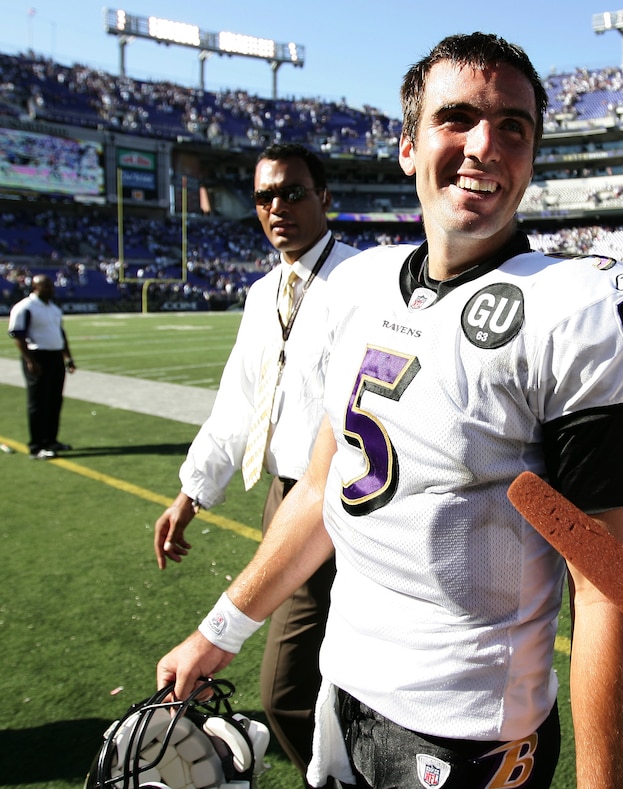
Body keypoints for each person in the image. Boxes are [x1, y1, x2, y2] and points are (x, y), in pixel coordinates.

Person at [155, 32, 623, 789]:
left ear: (532, 156)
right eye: (457, 118)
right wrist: (219, 630)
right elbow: (322, 487)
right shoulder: (358, 286)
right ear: (408, 146)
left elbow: (603, 592)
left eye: (514, 127)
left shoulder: (570, 310)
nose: (485, 146)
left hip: (471, 734)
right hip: (346, 689)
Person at [152, 142, 359, 784]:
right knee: (324, 678)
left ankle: (344, 777)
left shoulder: (364, 281)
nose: (276, 208)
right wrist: (191, 493)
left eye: (292, 192)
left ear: (324, 198)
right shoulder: (263, 290)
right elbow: (238, 402)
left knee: (285, 690)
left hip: (352, 500)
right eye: (265, 196)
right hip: (286, 494)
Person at [7, 273, 76, 459]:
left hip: (55, 357)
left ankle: (50, 440)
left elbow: (60, 333)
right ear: (35, 287)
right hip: (37, 356)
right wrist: (30, 360)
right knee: (38, 402)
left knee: (54, 400)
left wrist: (68, 357)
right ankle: (36, 446)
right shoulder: (25, 307)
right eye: (47, 286)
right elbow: (18, 336)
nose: (51, 289)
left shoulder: (53, 308)